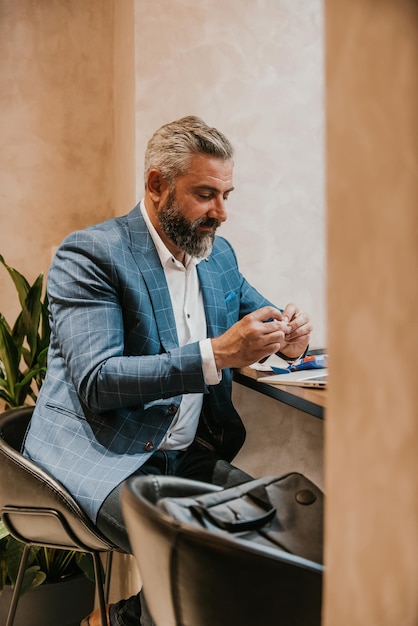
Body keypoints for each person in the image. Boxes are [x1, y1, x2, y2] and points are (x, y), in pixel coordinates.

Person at [23, 115, 312, 626]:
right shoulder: (91, 254)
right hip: (104, 453)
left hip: (186, 455)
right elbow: (98, 381)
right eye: (205, 194)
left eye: (227, 194)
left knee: (290, 534)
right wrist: (216, 355)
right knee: (207, 563)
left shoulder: (216, 255)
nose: (221, 212)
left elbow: (257, 322)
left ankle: (125, 617)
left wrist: (291, 338)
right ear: (157, 184)